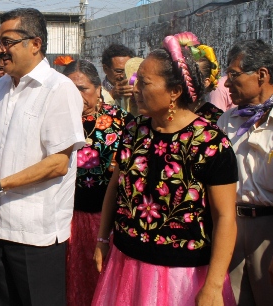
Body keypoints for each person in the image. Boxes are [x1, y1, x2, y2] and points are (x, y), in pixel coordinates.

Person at [92, 33, 238, 306]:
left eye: (144, 83)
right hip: (125, 263)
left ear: (174, 91)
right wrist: (103, 238)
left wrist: (214, 285)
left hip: (181, 275)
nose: (134, 89)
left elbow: (225, 218)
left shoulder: (210, 143)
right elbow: (116, 186)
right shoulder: (134, 130)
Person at [0, 8, 85, 306]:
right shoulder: (2, 86)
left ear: (35, 43)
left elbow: (58, 163)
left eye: (7, 42)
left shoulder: (59, 89)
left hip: (34, 235)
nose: (1, 51)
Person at [60, 58, 133, 306]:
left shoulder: (123, 121)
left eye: (83, 88)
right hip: (66, 216)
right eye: (70, 89)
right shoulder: (56, 121)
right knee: (71, 277)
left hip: (107, 218)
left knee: (106, 278)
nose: (77, 95)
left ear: (99, 89)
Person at [217, 39, 273, 306]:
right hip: (232, 226)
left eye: (234, 75)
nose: (227, 84)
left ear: (261, 75)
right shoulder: (226, 121)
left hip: (269, 229)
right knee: (235, 298)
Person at [101, 44, 136, 113]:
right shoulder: (97, 92)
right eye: (119, 71)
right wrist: (112, 95)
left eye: (127, 71)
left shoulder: (137, 89)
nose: (123, 76)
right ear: (105, 69)